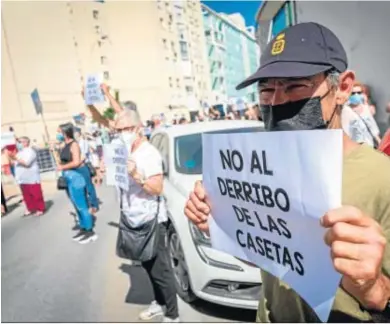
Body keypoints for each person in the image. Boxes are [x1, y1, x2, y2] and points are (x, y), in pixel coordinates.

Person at [184, 22, 390, 322]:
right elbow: (269, 262)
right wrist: (224, 225)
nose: (277, 101)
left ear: (343, 88)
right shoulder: (262, 170)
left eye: (295, 85)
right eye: (266, 89)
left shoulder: (383, 179)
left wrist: (374, 289)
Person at [113, 110, 179, 322]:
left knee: (161, 270)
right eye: (118, 129)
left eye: (125, 129)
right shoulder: (123, 151)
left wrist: (136, 175)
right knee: (147, 267)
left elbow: (157, 188)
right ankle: (159, 304)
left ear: (137, 128)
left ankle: (173, 315)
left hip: (151, 221)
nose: (121, 133)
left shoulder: (148, 154)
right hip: (133, 219)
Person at [57, 123, 97, 244]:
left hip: (76, 177)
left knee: (81, 205)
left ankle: (90, 231)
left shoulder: (74, 145)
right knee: (75, 204)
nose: (58, 134)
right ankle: (83, 228)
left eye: (59, 132)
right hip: (68, 177)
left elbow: (76, 162)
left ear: (65, 132)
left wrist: (62, 167)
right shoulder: (65, 144)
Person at [8, 136, 45, 216]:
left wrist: (15, 158)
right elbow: (14, 163)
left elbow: (27, 163)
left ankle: (40, 209)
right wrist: (11, 158)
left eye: (20, 142)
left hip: (31, 177)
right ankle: (30, 208)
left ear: (26, 142)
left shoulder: (30, 151)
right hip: (22, 178)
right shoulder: (19, 152)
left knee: (36, 194)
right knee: (26, 195)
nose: (18, 144)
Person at [342, 82, 381, 148]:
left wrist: (379, 141)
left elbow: (372, 127)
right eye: (353, 93)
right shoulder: (346, 111)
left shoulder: (365, 108)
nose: (356, 95)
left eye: (359, 93)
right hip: (356, 150)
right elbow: (345, 132)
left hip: (370, 146)